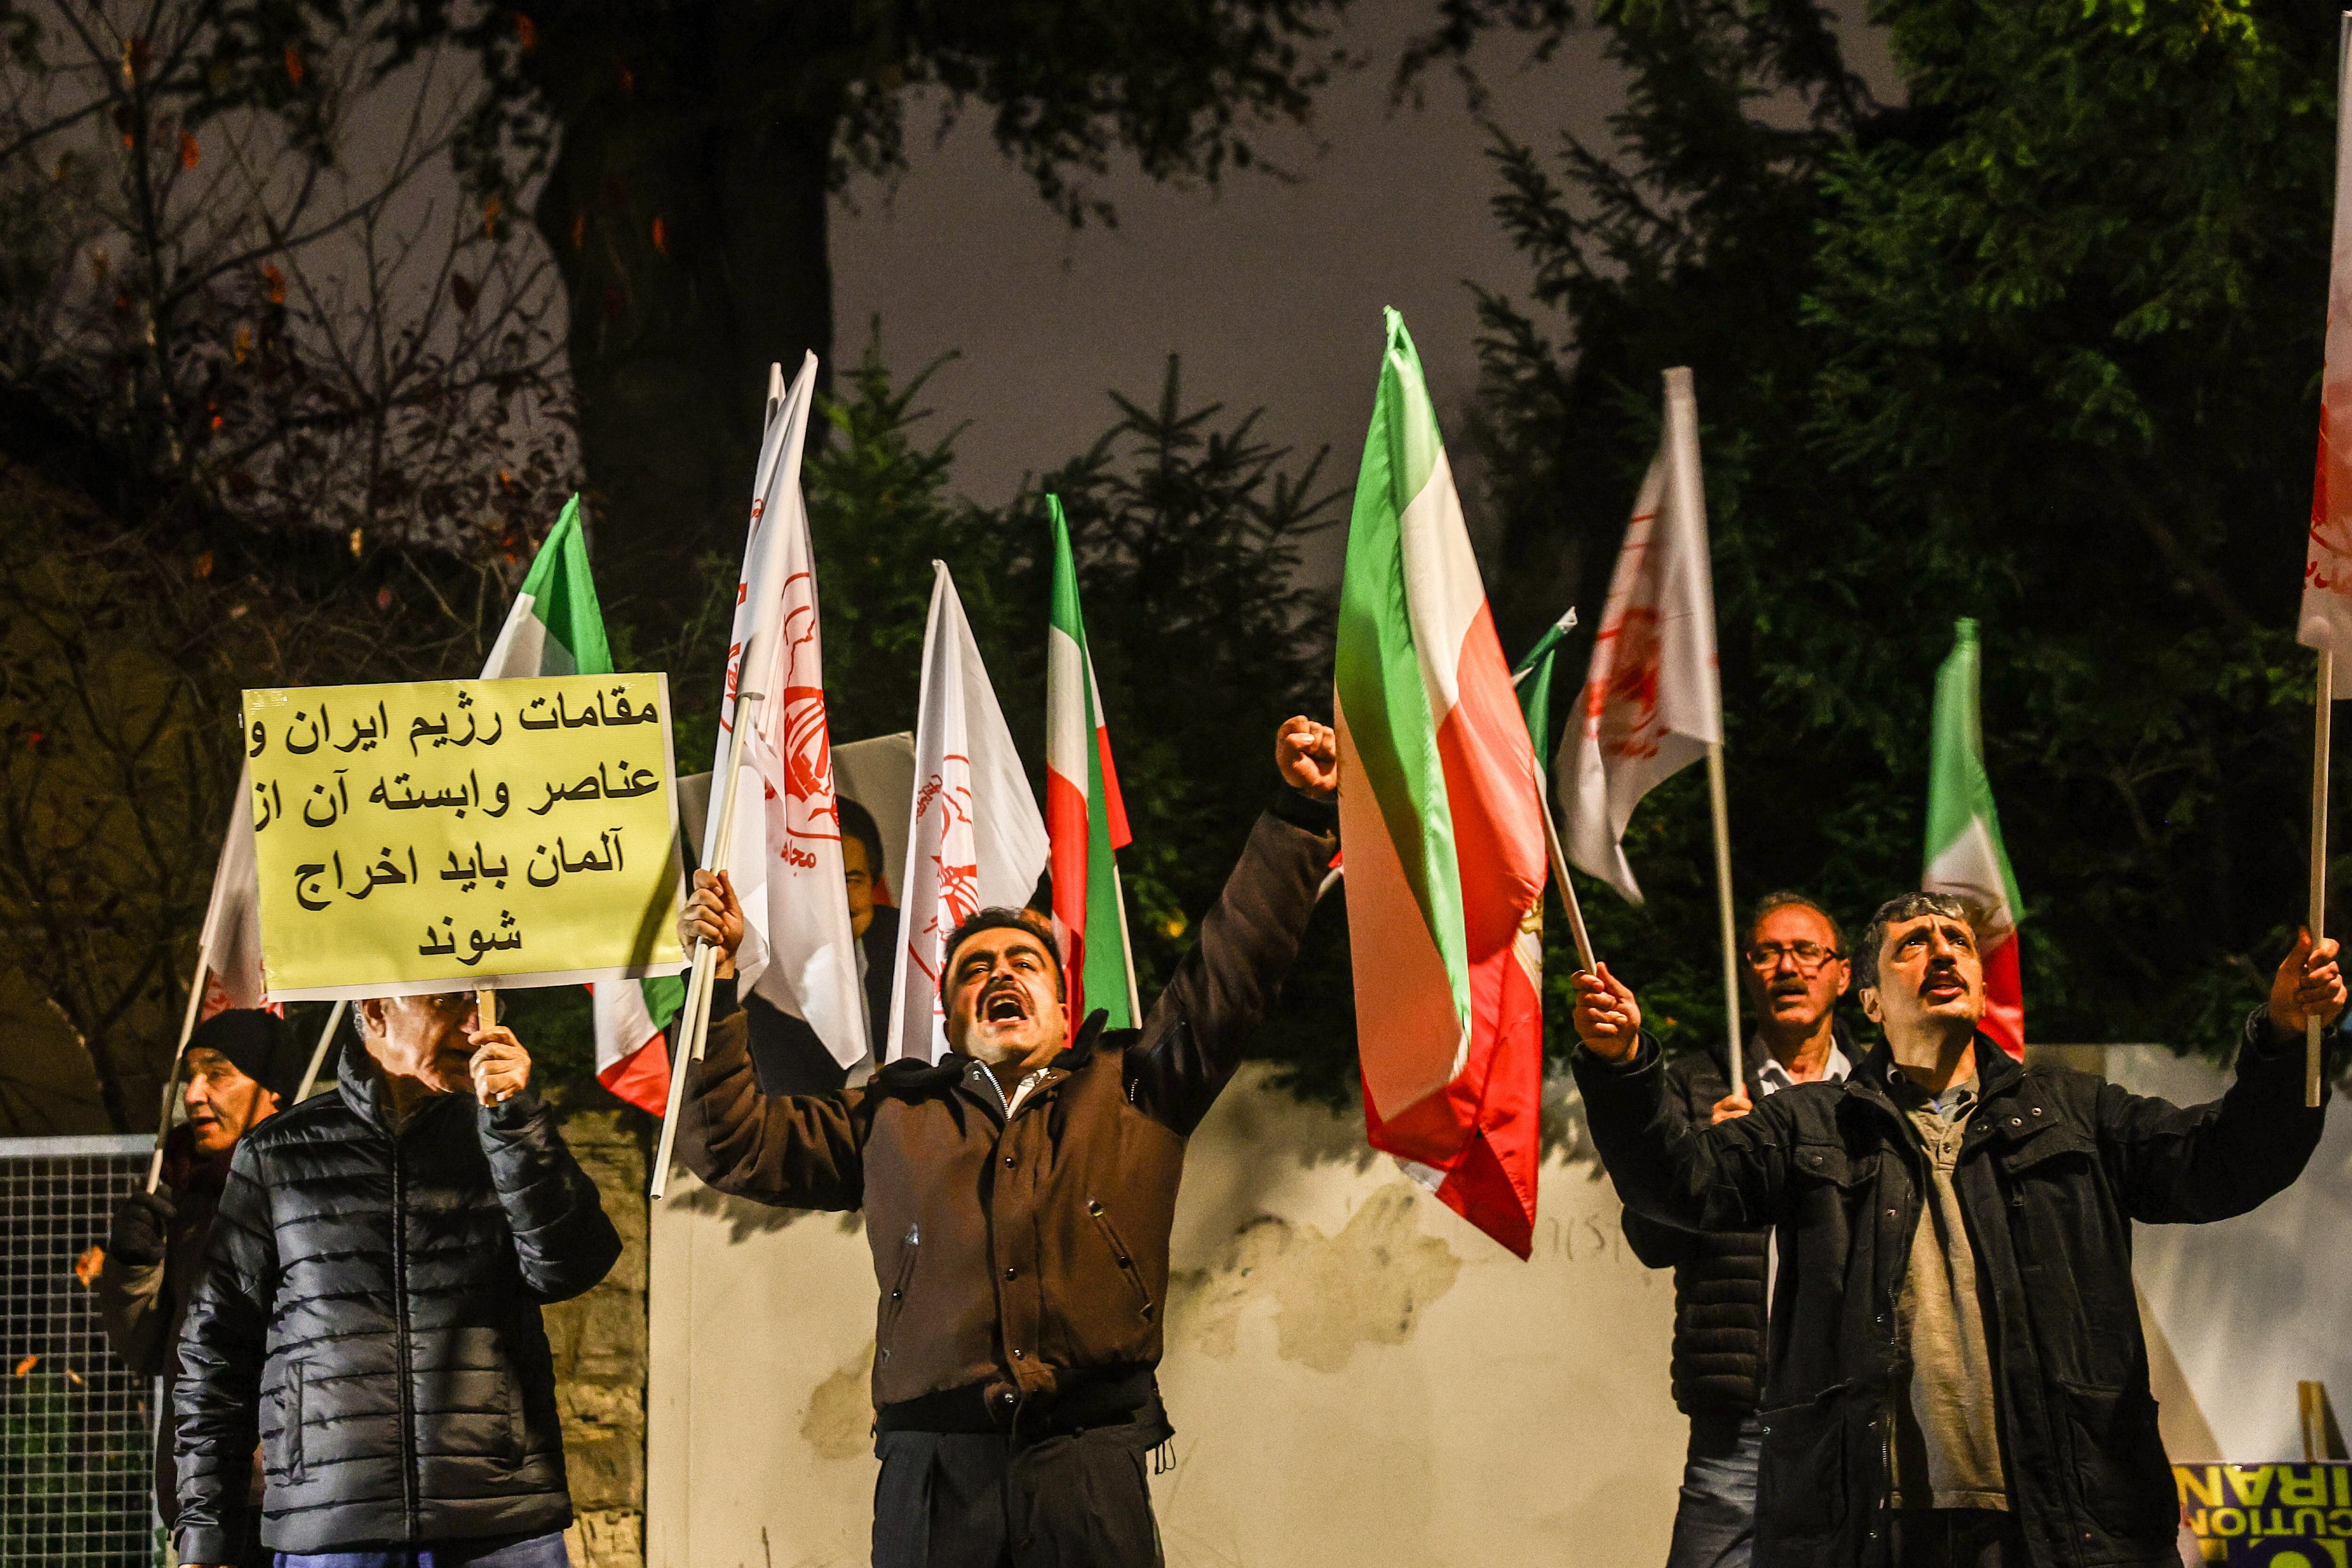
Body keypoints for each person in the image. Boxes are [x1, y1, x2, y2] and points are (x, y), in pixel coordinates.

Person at [677, 716, 1341, 1568]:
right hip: (933, 1478)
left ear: (1063, 1008)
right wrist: (715, 982)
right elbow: (729, 1143)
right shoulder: (890, 1116)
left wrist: (1298, 815)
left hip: (1087, 1467)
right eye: (975, 968)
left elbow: (1235, 965)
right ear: (951, 1018)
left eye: (1025, 962)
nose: (1000, 972)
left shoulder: (1137, 1086)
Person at [1573, 891, 2345, 1568]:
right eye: (1913, 943)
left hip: (2060, 1513)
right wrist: (1623, 1063)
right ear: (1870, 1001)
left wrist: (2284, 1037)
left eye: (1959, 943)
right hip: (1872, 1522)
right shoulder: (1812, 1122)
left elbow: (2225, 1164)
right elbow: (1679, 1185)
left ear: (1979, 985)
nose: (1943, 951)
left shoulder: (2075, 1110)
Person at [171, 992, 622, 1568]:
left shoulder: (504, 1132)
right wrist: (205, 1533)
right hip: (333, 1529)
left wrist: (517, 1125)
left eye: (484, 1002)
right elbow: (215, 1352)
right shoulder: (278, 1154)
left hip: (498, 1523)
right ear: (376, 1010)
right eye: (448, 1003)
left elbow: (570, 1267)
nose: (476, 1023)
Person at [1621, 892, 1856, 1568]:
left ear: (1842, 974)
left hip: (1860, 1399)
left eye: (1807, 951)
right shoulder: (1695, 1086)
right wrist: (1708, 1162)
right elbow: (1649, 1238)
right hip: (1742, 1411)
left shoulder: (1876, 1090)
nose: (1788, 967)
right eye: (1767, 953)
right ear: (1744, 972)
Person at [99, 1009, 303, 1568]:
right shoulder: (181, 1196)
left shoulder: (320, 1192)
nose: (193, 1095)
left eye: (217, 1073)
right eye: (191, 1076)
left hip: (305, 1504)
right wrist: (132, 1268)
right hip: (204, 1507)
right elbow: (148, 1351)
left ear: (274, 1091)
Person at [744, 794, 901, 1094]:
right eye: (817, 883)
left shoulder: (913, 948)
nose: (837, 900)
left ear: (873, 881)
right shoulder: (758, 980)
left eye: (851, 880)